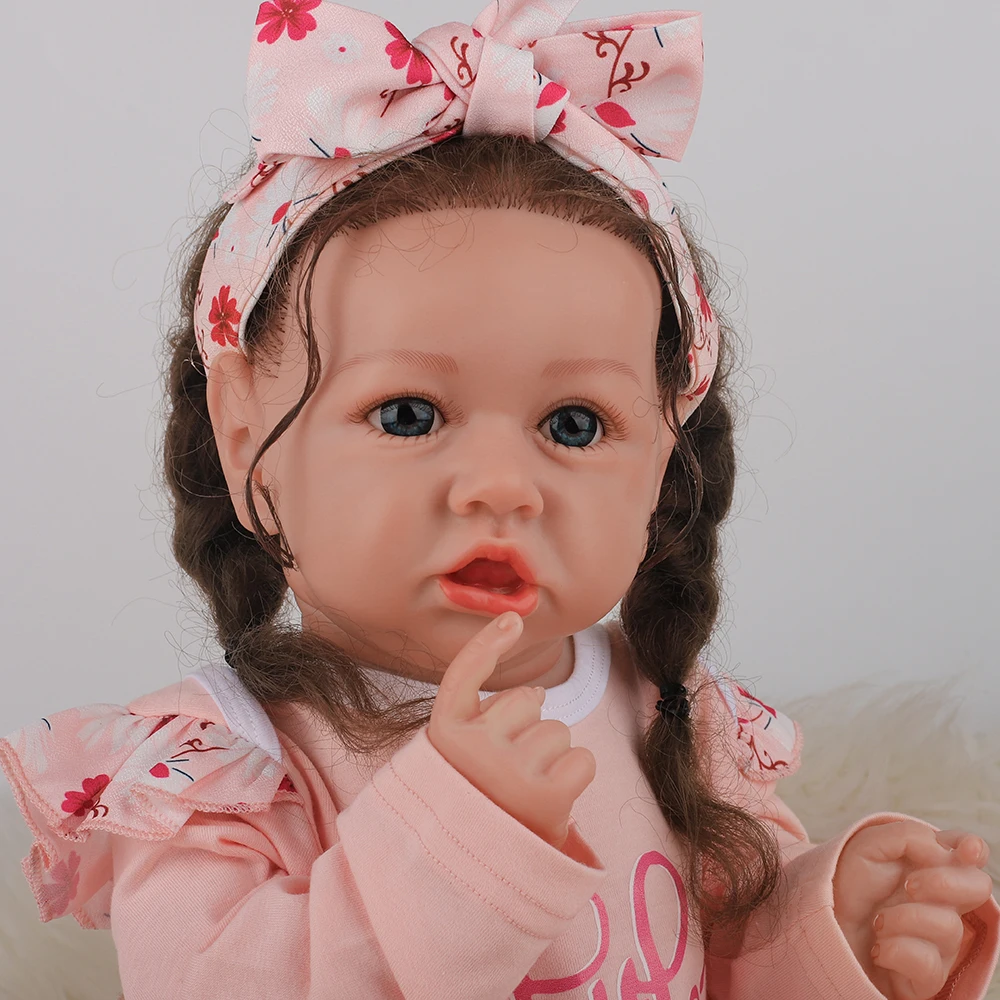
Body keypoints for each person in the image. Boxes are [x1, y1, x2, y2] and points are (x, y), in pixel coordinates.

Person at [1, 2, 996, 998]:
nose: (501, 486)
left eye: (574, 425)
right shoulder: (223, 770)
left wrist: (833, 935)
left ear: (661, 461)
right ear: (245, 437)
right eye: (407, 414)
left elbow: (730, 965)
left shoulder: (672, 721)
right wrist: (454, 842)